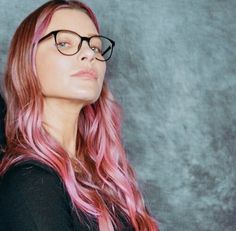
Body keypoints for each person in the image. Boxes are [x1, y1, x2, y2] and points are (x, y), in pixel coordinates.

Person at [0, 1, 159, 230]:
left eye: (95, 47)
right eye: (64, 42)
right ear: (28, 61)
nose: (88, 54)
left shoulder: (103, 175)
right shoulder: (31, 182)